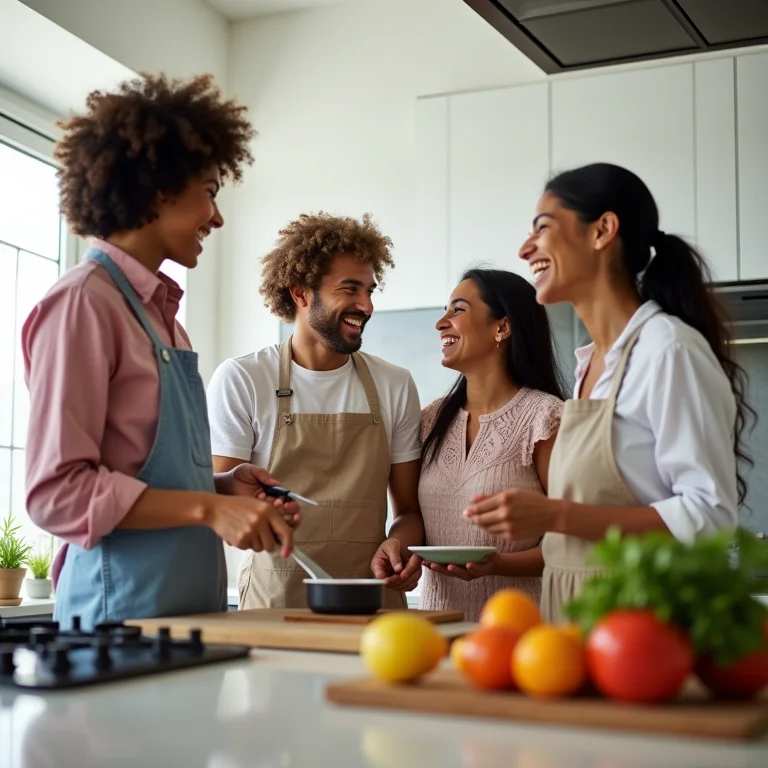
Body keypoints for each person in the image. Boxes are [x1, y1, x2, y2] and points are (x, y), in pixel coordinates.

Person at [22, 74, 298, 630]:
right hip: (115, 624)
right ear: (159, 187)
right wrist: (209, 508)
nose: (217, 217)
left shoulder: (165, 317)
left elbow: (147, 477)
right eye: (211, 190)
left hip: (190, 617)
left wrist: (224, 488)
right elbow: (55, 492)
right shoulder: (83, 304)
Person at [465, 162, 752, 623]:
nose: (524, 249)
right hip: (575, 616)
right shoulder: (589, 366)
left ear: (602, 231)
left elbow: (708, 517)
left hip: (641, 622)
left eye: (542, 228)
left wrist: (555, 516)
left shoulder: (667, 351)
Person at [206, 212, 425, 609]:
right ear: (301, 292)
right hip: (276, 602)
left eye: (370, 291)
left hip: (373, 600)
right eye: (350, 289)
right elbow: (225, 506)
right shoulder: (243, 378)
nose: (367, 305)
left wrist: (402, 546)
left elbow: (409, 512)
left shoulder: (394, 384)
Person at [418, 268, 565, 622]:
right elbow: (412, 520)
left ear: (502, 327)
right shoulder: (430, 420)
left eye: (458, 310)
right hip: (435, 632)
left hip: (521, 634)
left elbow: (571, 541)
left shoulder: (545, 417)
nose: (441, 323)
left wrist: (499, 564)